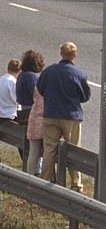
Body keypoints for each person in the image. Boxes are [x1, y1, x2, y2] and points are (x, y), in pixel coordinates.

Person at [36, 41, 90, 192]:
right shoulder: (79, 74)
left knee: (49, 149)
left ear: (61, 53)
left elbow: (40, 89)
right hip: (71, 116)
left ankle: (44, 181)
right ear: (74, 55)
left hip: (51, 114)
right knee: (73, 150)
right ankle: (76, 184)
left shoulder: (49, 71)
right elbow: (85, 96)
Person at [17, 49, 44, 175]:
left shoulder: (21, 74)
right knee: (36, 143)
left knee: (28, 143)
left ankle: (31, 168)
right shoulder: (33, 77)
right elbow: (37, 95)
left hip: (23, 109)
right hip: (32, 110)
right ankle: (37, 170)